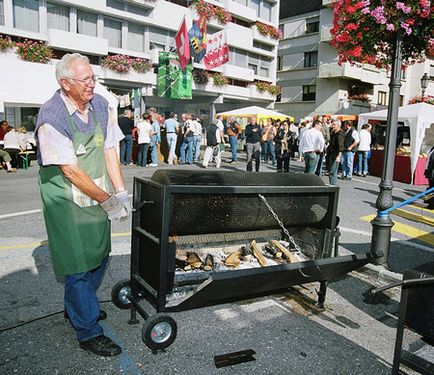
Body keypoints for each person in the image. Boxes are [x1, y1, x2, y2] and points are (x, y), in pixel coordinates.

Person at [35, 53, 130, 357]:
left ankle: (77, 306)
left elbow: (109, 149)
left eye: (93, 77)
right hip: (65, 198)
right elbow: (70, 170)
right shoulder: (52, 117)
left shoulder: (101, 104)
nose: (93, 84)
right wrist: (108, 202)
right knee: (77, 264)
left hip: (96, 192)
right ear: (65, 83)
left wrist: (120, 192)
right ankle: (88, 331)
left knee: (100, 254)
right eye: (85, 79)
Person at [327, 120, 345, 186]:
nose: (332, 126)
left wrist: (339, 156)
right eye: (332, 124)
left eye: (334, 124)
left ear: (338, 125)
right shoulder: (333, 132)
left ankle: (333, 185)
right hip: (331, 153)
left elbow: (341, 146)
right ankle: (332, 184)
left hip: (336, 154)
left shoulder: (340, 134)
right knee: (331, 170)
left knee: (333, 171)